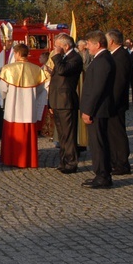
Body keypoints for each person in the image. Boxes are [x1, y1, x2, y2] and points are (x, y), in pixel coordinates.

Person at [0, 44, 48, 168]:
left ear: (18, 53)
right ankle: (28, 159)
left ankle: (11, 159)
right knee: (27, 131)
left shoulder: (8, 69)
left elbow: (3, 89)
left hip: (12, 106)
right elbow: (41, 88)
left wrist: (4, 98)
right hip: (28, 106)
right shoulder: (36, 69)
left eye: (14, 53)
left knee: (12, 131)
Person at [79, 30, 116, 189]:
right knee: (97, 143)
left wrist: (88, 110)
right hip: (97, 109)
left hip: (98, 110)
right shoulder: (101, 59)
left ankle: (103, 175)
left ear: (97, 44)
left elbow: (97, 89)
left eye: (89, 44)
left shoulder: (103, 61)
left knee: (98, 143)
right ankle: (101, 173)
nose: (87, 47)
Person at [48, 33, 83, 174]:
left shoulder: (75, 58)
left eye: (58, 46)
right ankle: (63, 161)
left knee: (68, 134)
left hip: (66, 101)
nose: (55, 48)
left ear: (66, 46)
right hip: (57, 100)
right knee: (62, 135)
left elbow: (63, 71)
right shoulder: (63, 58)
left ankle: (71, 162)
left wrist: (56, 56)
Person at [106, 29, 133, 175]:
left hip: (116, 103)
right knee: (112, 134)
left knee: (118, 134)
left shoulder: (121, 56)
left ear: (111, 41)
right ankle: (115, 161)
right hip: (112, 102)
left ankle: (122, 163)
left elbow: (119, 82)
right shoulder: (116, 55)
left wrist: (112, 102)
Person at [0, 37, 14, 138]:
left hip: (11, 86)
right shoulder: (0, 55)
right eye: (3, 41)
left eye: (7, 41)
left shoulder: (14, 54)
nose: (5, 44)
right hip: (1, 85)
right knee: (0, 109)